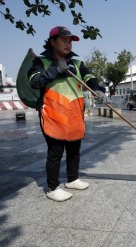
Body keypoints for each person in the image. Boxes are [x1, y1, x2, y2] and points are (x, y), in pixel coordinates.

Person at [28, 26, 106, 202]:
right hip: (52, 113)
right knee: (55, 151)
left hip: (74, 113)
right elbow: (34, 82)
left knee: (74, 149)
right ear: (52, 41)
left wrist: (97, 89)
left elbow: (89, 77)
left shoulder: (77, 64)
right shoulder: (41, 62)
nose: (68, 44)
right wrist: (54, 70)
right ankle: (53, 187)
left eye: (70, 41)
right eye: (64, 40)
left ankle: (72, 179)